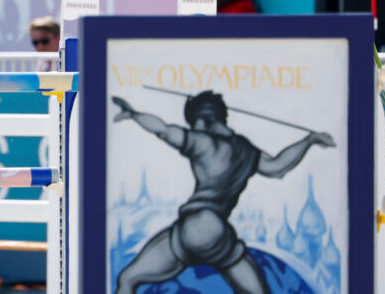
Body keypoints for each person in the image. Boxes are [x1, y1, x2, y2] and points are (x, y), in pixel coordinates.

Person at [110, 91, 333, 293]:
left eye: (193, 123)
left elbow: (164, 130)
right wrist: (309, 141)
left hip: (194, 227)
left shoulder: (202, 142)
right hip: (219, 234)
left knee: (128, 279)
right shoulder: (247, 151)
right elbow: (277, 167)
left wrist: (133, 114)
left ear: (202, 119)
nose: (192, 128)